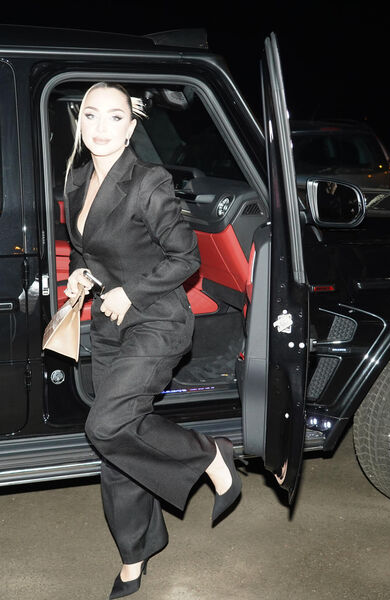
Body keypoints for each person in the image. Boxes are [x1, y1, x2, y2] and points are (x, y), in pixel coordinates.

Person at [63, 81, 242, 599]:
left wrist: (131, 291)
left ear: (131, 127)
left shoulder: (148, 181)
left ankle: (210, 455)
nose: (101, 127)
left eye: (115, 117)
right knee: (117, 447)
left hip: (158, 321)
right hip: (110, 325)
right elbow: (89, 249)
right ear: (79, 121)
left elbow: (186, 259)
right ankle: (134, 555)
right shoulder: (77, 179)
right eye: (91, 115)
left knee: (106, 424)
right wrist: (80, 274)